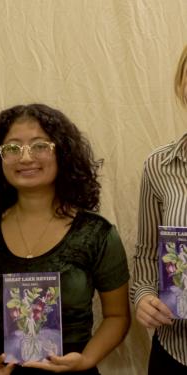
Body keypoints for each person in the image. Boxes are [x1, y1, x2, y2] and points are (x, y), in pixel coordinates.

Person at [0, 103, 130, 374]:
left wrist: (87, 360)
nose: (25, 157)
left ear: (63, 154)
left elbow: (118, 316)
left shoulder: (96, 232)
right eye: (12, 148)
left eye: (40, 146)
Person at [131, 45, 187, 373]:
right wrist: (144, 297)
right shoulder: (159, 166)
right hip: (175, 351)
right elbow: (147, 255)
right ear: (181, 84)